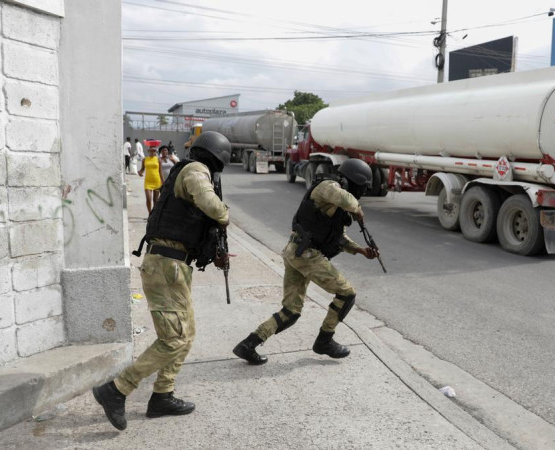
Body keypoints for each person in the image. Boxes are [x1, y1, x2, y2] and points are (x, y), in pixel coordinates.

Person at [92, 131, 232, 431]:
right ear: (218, 157)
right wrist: (224, 214)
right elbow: (211, 205)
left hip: (175, 266)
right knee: (173, 339)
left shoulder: (191, 170)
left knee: (186, 334)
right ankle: (116, 390)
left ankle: (162, 395)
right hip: (166, 266)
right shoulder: (195, 171)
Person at [233, 158, 379, 365]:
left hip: (298, 254)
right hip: (306, 255)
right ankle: (324, 340)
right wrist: (357, 209)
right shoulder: (328, 186)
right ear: (355, 181)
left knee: (291, 312)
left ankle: (248, 344)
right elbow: (347, 200)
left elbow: (338, 238)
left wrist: (361, 251)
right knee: (347, 294)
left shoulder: (335, 205)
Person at [138, 140, 164, 215]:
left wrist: (163, 182)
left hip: (157, 181)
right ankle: (150, 213)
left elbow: (160, 171)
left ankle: (154, 215)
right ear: (148, 151)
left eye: (154, 151)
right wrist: (140, 172)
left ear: (156, 151)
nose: (153, 152)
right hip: (148, 182)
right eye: (151, 151)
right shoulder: (144, 159)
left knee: (155, 200)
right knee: (148, 199)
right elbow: (142, 169)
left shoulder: (158, 159)